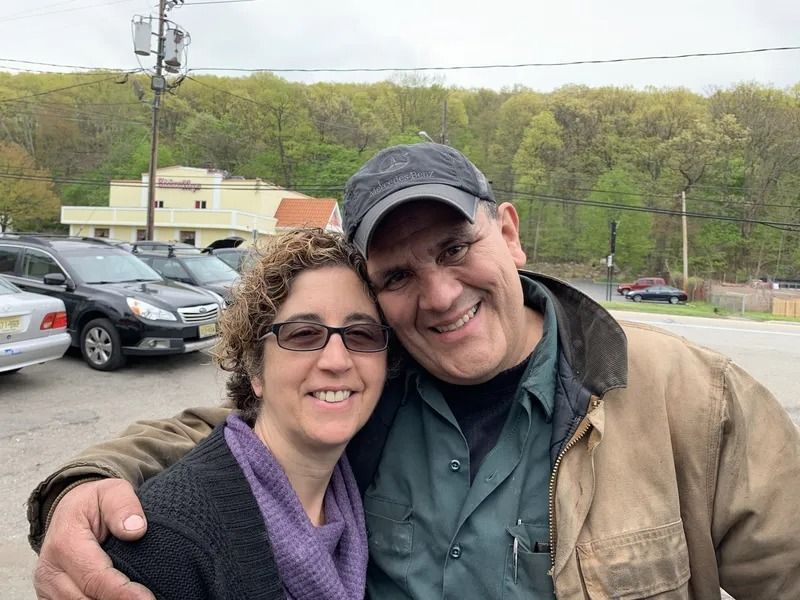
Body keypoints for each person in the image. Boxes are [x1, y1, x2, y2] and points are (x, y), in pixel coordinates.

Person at [30, 143, 800, 599]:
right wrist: (80, 484)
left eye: (455, 248)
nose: (438, 295)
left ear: (507, 233)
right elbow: (242, 437)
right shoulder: (371, 387)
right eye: (397, 276)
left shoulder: (686, 395)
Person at [99, 228, 389, 599]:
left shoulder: (357, 495)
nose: (336, 360)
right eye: (303, 334)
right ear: (255, 369)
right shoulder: (165, 543)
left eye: (361, 334)